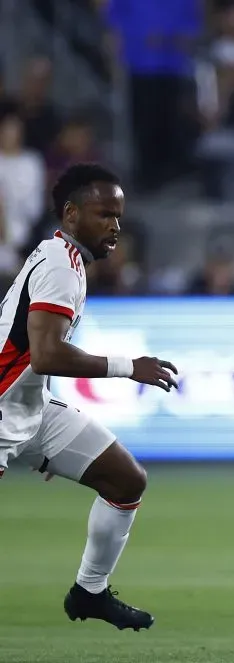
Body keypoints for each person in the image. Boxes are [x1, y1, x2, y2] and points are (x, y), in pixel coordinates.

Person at [0, 163, 178, 629]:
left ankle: (89, 592)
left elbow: (29, 353)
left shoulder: (64, 258)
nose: (116, 227)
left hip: (26, 408)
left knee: (124, 480)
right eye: (104, 215)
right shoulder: (61, 265)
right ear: (72, 213)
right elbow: (46, 354)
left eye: (118, 216)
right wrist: (128, 367)